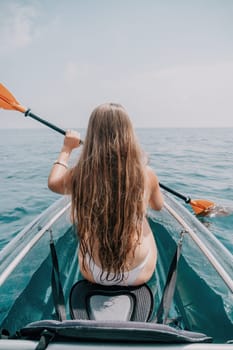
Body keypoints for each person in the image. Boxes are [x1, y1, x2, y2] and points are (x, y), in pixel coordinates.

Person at [48, 103, 164, 286]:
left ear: (93, 135)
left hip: (94, 271)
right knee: (143, 222)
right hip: (139, 272)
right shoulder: (147, 174)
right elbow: (158, 206)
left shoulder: (82, 173)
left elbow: (54, 184)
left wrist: (66, 150)